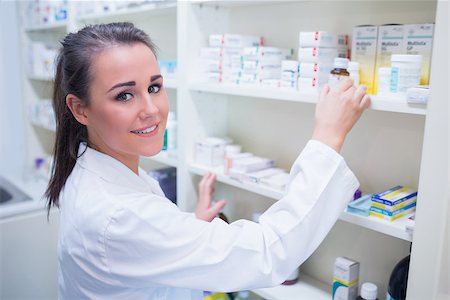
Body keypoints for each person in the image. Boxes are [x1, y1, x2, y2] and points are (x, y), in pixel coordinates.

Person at [45, 22, 370, 299]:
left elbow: (139, 252)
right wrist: (328, 136)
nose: (151, 109)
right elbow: (268, 253)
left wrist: (189, 229)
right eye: (124, 95)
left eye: (154, 87)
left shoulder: (88, 166)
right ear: (79, 109)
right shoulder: (119, 216)